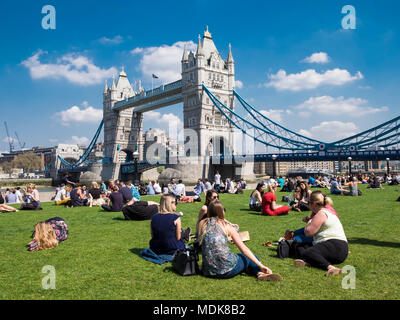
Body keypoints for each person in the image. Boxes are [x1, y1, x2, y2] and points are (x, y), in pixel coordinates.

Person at [198, 201, 282, 281]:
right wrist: (261, 265)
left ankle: (258, 272)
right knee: (246, 257)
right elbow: (244, 249)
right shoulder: (226, 226)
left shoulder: (202, 224)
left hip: (208, 271)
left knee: (239, 258)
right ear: (222, 211)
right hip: (227, 270)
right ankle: (260, 273)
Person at [293, 191, 348, 276]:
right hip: (339, 249)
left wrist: (309, 222)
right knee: (300, 247)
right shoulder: (327, 212)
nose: (308, 205)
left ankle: (330, 267)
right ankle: (310, 261)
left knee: (308, 252)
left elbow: (308, 232)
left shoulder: (321, 213)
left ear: (314, 204)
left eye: (308, 203)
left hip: (336, 245)